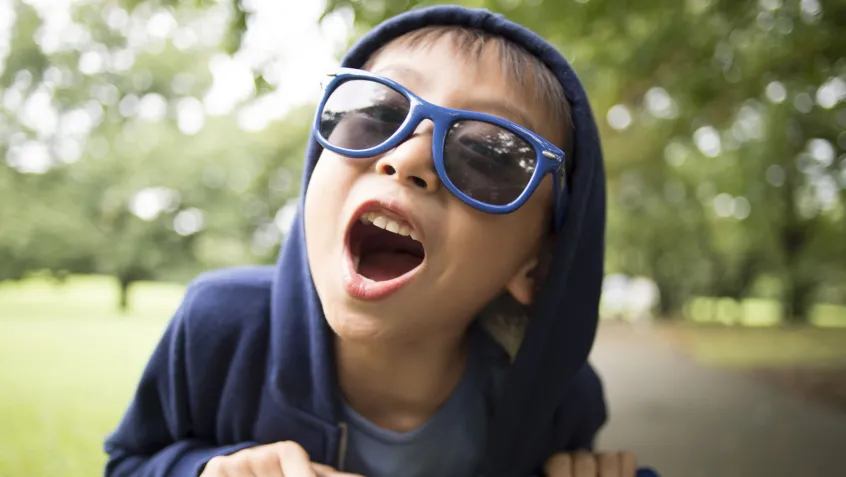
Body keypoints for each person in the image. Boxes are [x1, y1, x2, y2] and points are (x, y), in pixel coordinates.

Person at [104, 5, 655, 477]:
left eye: (489, 155)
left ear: (538, 266)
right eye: (373, 113)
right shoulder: (220, 330)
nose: (408, 156)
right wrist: (205, 470)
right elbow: (129, 461)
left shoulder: (557, 403)